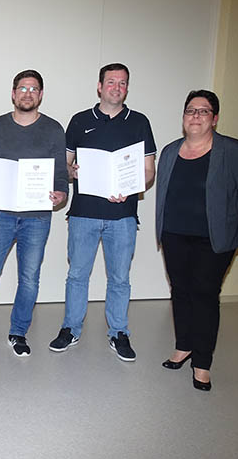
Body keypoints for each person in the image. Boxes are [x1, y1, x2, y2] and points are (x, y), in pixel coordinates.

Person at [48, 63, 156, 362]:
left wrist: (134, 184)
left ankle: (119, 332)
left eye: (122, 83)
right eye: (111, 82)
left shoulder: (139, 122)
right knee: (77, 275)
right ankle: (70, 328)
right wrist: (74, 172)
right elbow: (64, 167)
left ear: (127, 88)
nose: (116, 87)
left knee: (120, 278)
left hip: (122, 216)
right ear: (99, 86)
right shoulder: (80, 120)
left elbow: (149, 171)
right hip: (84, 213)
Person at [0, 70, 68, 357]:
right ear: (13, 93)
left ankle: (18, 332)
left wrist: (61, 194)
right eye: (22, 88)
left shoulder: (54, 129)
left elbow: (60, 173)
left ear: (41, 95)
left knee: (29, 278)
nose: (27, 93)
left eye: (34, 89)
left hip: (37, 216)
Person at [155, 89, 238, 391]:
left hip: (212, 238)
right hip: (174, 234)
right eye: (190, 110)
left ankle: (202, 362)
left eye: (203, 111)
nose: (195, 116)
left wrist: (225, 214)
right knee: (181, 291)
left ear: (214, 118)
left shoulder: (233, 150)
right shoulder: (171, 151)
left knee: (204, 295)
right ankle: (183, 345)